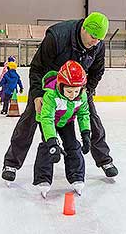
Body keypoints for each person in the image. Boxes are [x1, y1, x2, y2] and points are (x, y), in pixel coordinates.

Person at [2, 11, 118, 182]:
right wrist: (37, 95)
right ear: (84, 28)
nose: (96, 42)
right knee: (30, 119)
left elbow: (97, 71)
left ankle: (104, 160)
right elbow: (36, 67)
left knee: (92, 117)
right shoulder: (57, 36)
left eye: (100, 39)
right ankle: (11, 163)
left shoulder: (98, 45)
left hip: (78, 87)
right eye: (93, 36)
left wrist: (88, 90)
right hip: (49, 86)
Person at [33, 60, 91, 197]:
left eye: (76, 91)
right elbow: (47, 119)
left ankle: (76, 176)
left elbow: (84, 114)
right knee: (48, 147)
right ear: (60, 86)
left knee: (73, 145)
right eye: (69, 91)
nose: (73, 95)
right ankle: (43, 179)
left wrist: (86, 134)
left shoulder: (81, 96)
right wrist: (52, 142)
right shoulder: (51, 95)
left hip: (66, 121)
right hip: (48, 122)